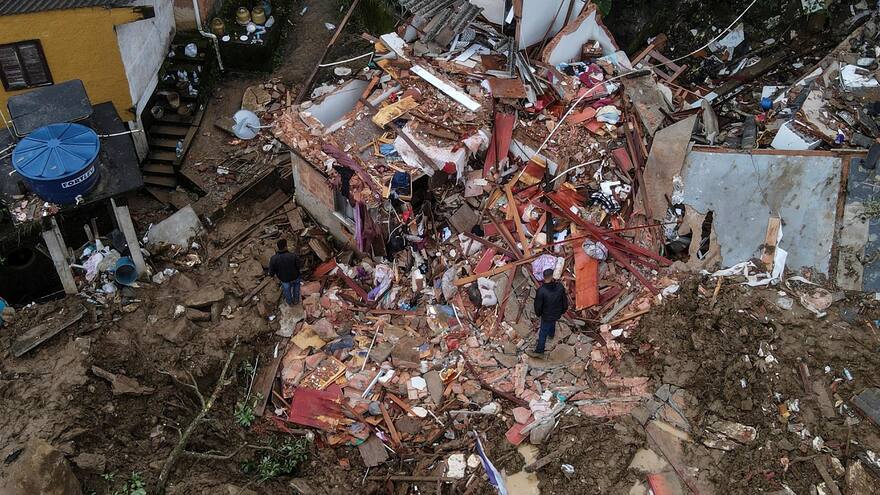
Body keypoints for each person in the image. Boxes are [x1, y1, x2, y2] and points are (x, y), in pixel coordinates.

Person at [527, 268, 569, 358]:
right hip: (557, 313)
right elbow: (564, 301)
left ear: (543, 277)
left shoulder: (541, 291)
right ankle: (551, 334)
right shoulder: (560, 287)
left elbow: (538, 305)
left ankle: (540, 350)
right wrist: (563, 310)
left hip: (546, 315)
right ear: (553, 275)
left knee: (542, 333)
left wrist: (538, 314)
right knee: (553, 322)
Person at [268, 239, 302, 305]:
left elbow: (271, 271)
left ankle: (290, 303)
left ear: (278, 247)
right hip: (295, 276)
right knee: (296, 289)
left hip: (284, 279)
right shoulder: (293, 256)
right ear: (285, 246)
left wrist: (272, 275)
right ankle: (296, 301)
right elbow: (299, 265)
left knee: (287, 291)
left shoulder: (273, 259)